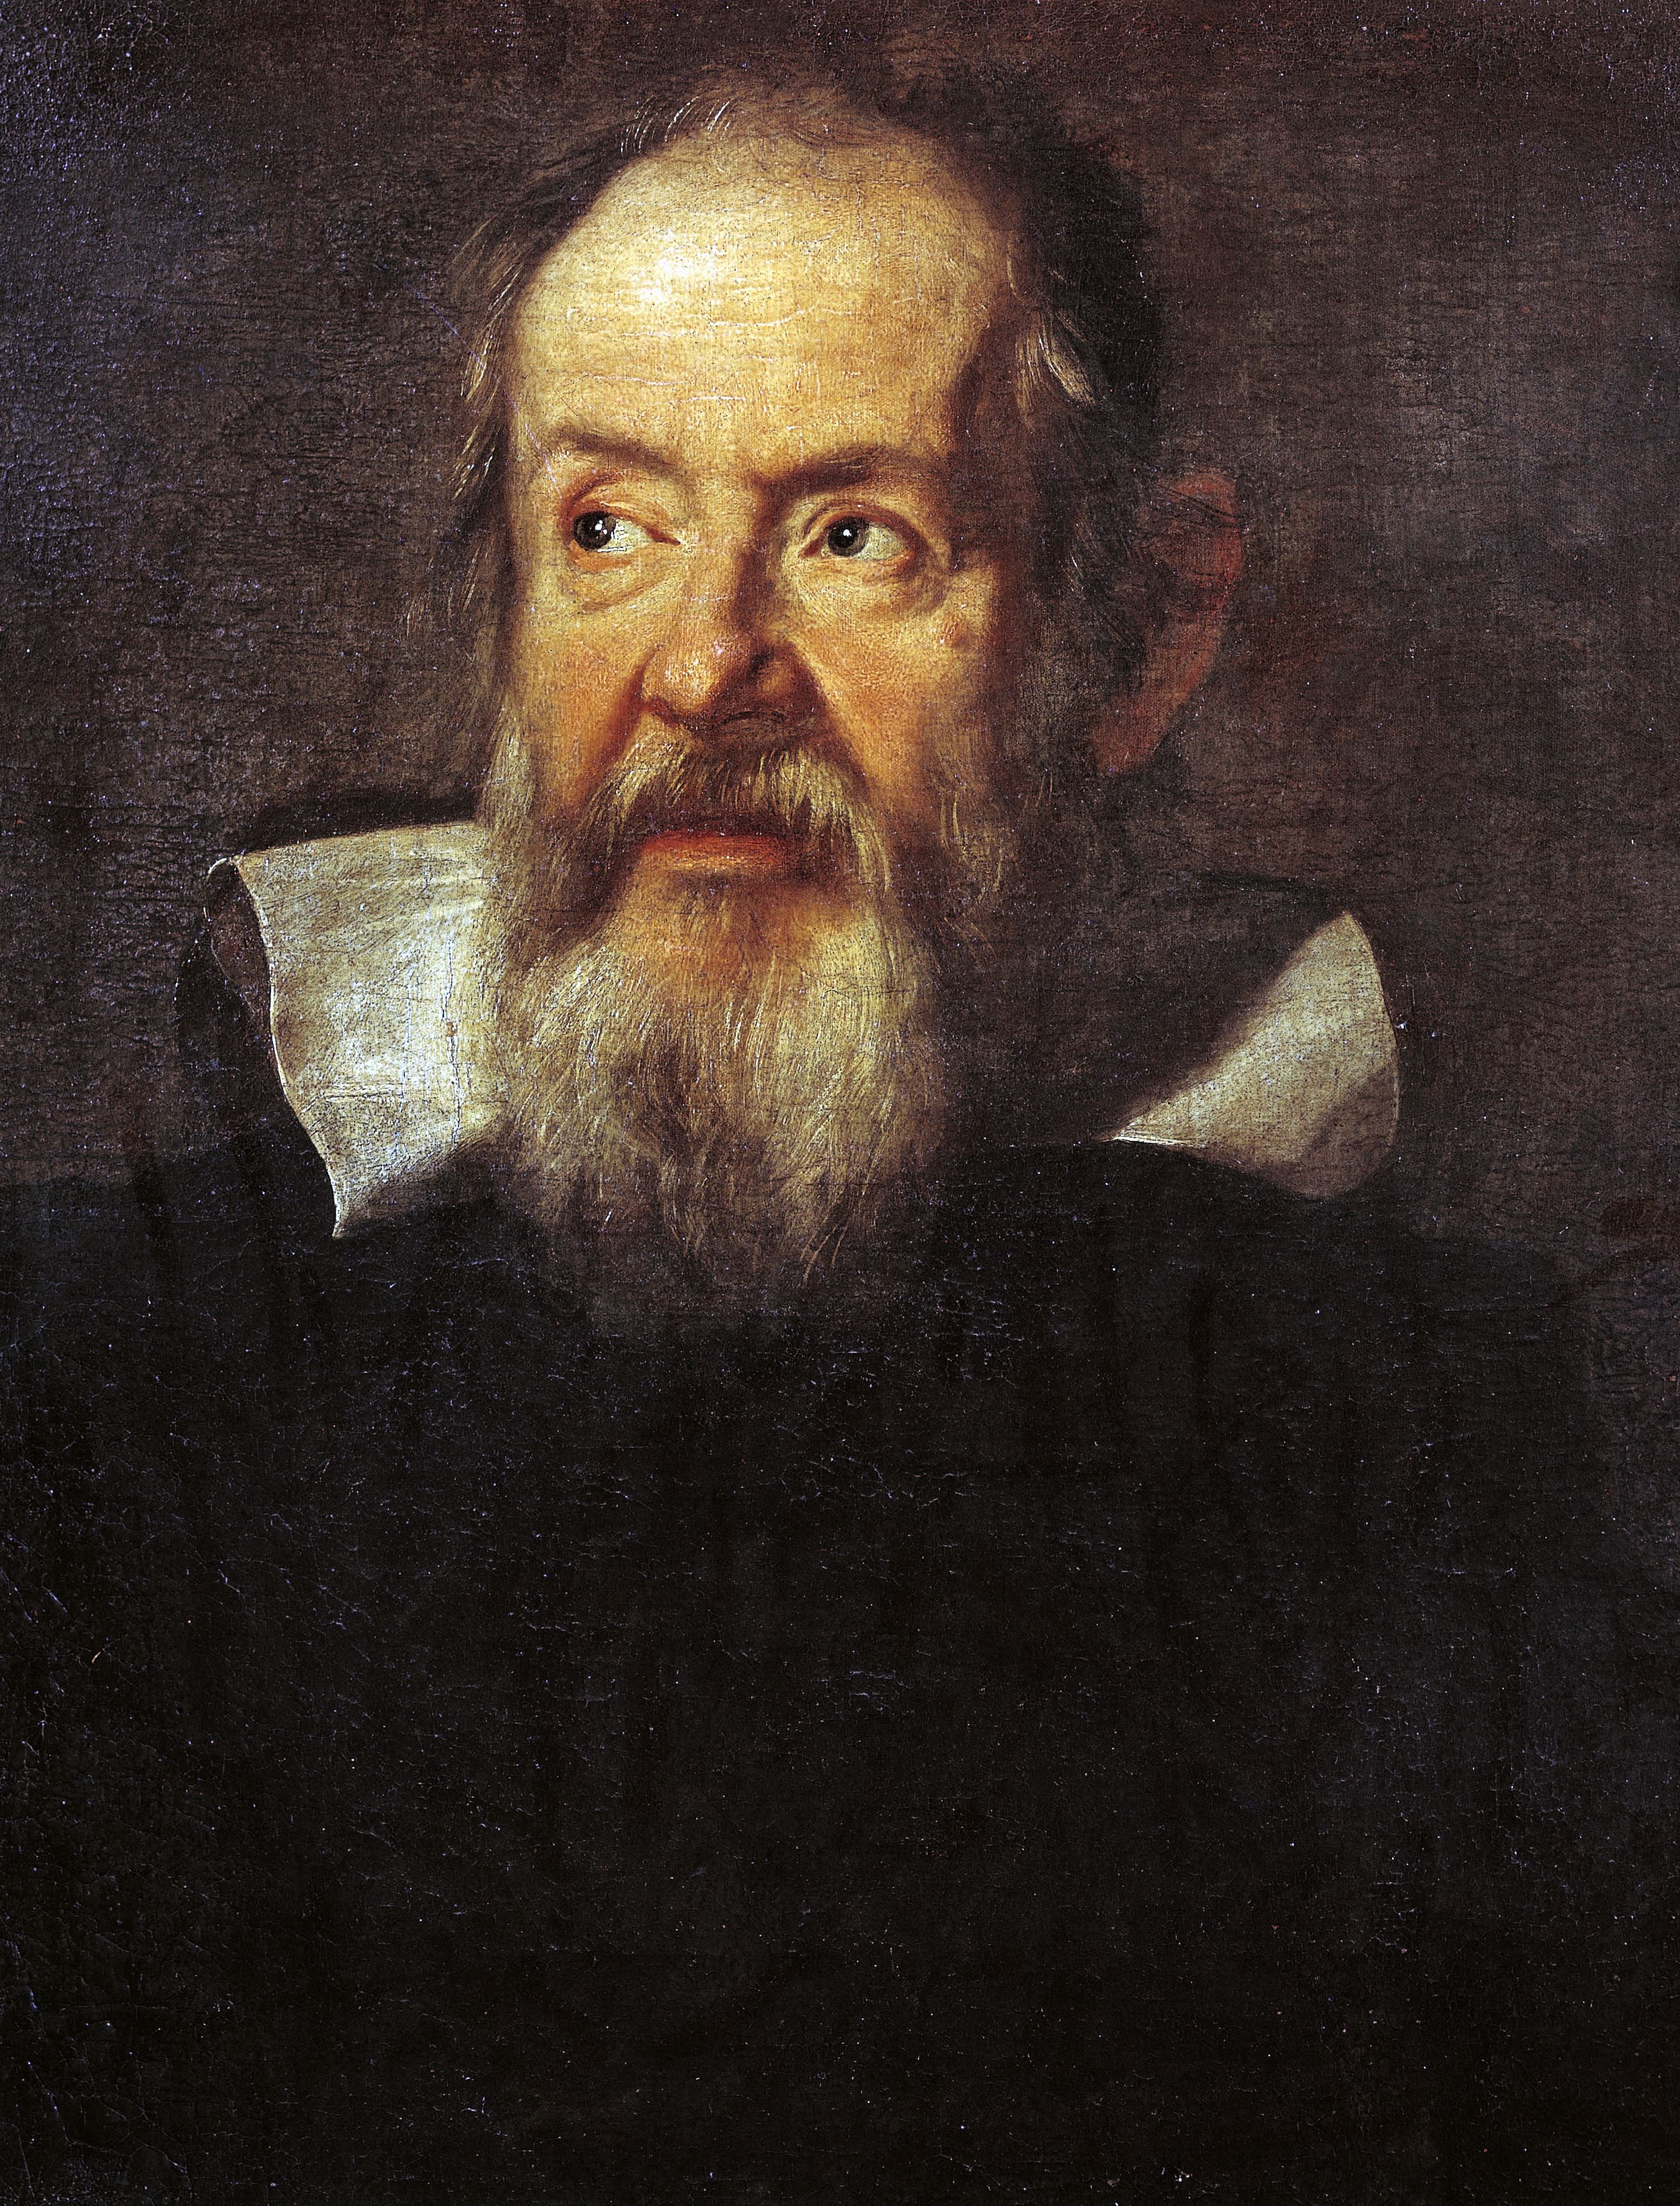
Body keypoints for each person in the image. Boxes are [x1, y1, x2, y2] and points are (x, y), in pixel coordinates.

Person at [2, 62, 1674, 2203]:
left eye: (851, 535)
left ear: (1142, 625)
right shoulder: (107, 1368)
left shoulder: (1434, 1416)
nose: (707, 666)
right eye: (607, 530)